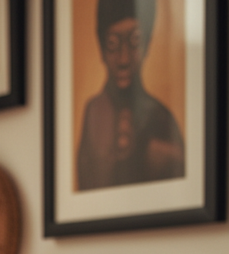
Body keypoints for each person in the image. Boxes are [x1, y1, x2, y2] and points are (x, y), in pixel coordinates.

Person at [77, 0, 185, 191]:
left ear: (148, 44)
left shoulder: (161, 118)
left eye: (134, 41)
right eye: (113, 44)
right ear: (101, 47)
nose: (124, 58)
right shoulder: (93, 112)